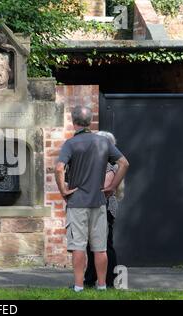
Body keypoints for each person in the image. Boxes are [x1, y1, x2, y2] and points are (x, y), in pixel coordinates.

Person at [55, 106, 129, 292]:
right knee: (100, 247)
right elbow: (124, 163)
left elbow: (58, 169)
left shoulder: (71, 144)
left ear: (74, 121)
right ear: (90, 121)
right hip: (99, 201)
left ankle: (79, 286)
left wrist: (64, 191)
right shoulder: (103, 142)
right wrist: (111, 187)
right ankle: (102, 286)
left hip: (77, 202)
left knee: (78, 246)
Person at [84, 131, 125, 288]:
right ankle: (92, 278)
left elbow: (105, 189)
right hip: (99, 205)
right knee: (94, 245)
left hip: (103, 206)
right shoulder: (103, 162)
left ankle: (109, 281)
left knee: (104, 246)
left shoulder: (108, 164)